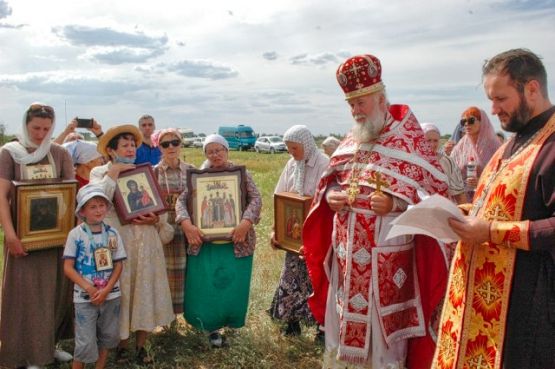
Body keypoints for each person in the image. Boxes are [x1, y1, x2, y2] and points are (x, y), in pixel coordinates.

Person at [302, 54, 450, 369]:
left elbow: (434, 195)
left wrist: (395, 204)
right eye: (351, 104)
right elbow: (332, 181)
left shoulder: (409, 142)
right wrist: (332, 197)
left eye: (361, 102)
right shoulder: (351, 142)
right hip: (347, 257)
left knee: (383, 344)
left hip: (387, 264)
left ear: (381, 98)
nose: (355, 110)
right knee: (346, 328)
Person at [433, 49, 555, 369]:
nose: (493, 109)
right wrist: (466, 211)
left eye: (500, 98)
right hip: (485, 302)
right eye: (491, 98)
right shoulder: (513, 143)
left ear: (531, 89)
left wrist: (488, 231)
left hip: (528, 308)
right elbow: (507, 205)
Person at [90, 124, 174, 364]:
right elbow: (96, 202)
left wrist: (156, 218)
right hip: (120, 243)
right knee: (123, 292)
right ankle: (121, 345)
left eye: (132, 145)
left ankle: (141, 345)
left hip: (146, 242)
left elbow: (157, 207)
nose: (129, 149)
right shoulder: (100, 173)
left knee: (144, 290)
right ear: (111, 150)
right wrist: (114, 172)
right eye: (124, 145)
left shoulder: (145, 172)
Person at [0, 103, 74, 368]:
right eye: (36, 128)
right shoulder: (10, 153)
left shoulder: (60, 153)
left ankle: (47, 348)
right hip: (22, 239)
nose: (41, 134)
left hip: (55, 238)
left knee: (52, 294)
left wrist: (69, 234)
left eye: (47, 128)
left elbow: (70, 193)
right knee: (26, 296)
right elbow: (2, 197)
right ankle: (26, 354)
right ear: (25, 125)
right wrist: (10, 235)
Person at [176, 134, 262, 348]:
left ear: (227, 151)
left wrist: (245, 222)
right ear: (205, 153)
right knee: (207, 286)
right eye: (210, 151)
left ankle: (230, 323)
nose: (215, 155)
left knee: (232, 284)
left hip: (236, 244)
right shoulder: (198, 177)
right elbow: (181, 202)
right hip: (206, 245)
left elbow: (256, 198)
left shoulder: (240, 175)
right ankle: (211, 328)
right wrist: (186, 224)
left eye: (219, 150)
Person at [268, 125, 329, 338]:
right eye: (289, 148)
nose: (291, 153)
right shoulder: (291, 164)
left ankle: (322, 327)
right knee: (291, 276)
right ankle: (292, 323)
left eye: (295, 148)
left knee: (318, 279)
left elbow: (326, 203)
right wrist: (277, 230)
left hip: (317, 235)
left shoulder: (324, 164)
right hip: (292, 235)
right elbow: (280, 195)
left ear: (306, 144)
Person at [63, 184, 127, 369]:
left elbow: (118, 264)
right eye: (92, 207)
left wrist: (107, 289)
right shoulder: (76, 235)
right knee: (84, 341)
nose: (98, 210)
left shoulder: (113, 233)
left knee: (108, 336)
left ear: (107, 208)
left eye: (101, 205)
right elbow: (68, 267)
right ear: (82, 211)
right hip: (85, 297)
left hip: (111, 295)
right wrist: (89, 288)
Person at [152, 128, 195, 315]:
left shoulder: (192, 170)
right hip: (165, 228)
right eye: (165, 144)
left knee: (190, 270)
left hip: (188, 228)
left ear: (181, 144)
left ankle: (191, 312)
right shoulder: (153, 172)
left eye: (175, 142)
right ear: (159, 147)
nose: (171, 147)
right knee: (167, 272)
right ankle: (167, 315)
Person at [450, 106, 501, 201]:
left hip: (487, 197)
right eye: (463, 122)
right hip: (463, 199)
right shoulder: (461, 145)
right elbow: (451, 170)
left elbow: (501, 175)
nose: (466, 124)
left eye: (471, 120)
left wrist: (481, 181)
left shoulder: (494, 145)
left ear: (482, 122)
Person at [421, 123, 466, 204]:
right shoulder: (413, 161)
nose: (432, 144)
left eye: (435, 140)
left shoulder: (447, 161)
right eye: (428, 140)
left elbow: (459, 194)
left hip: (443, 209)